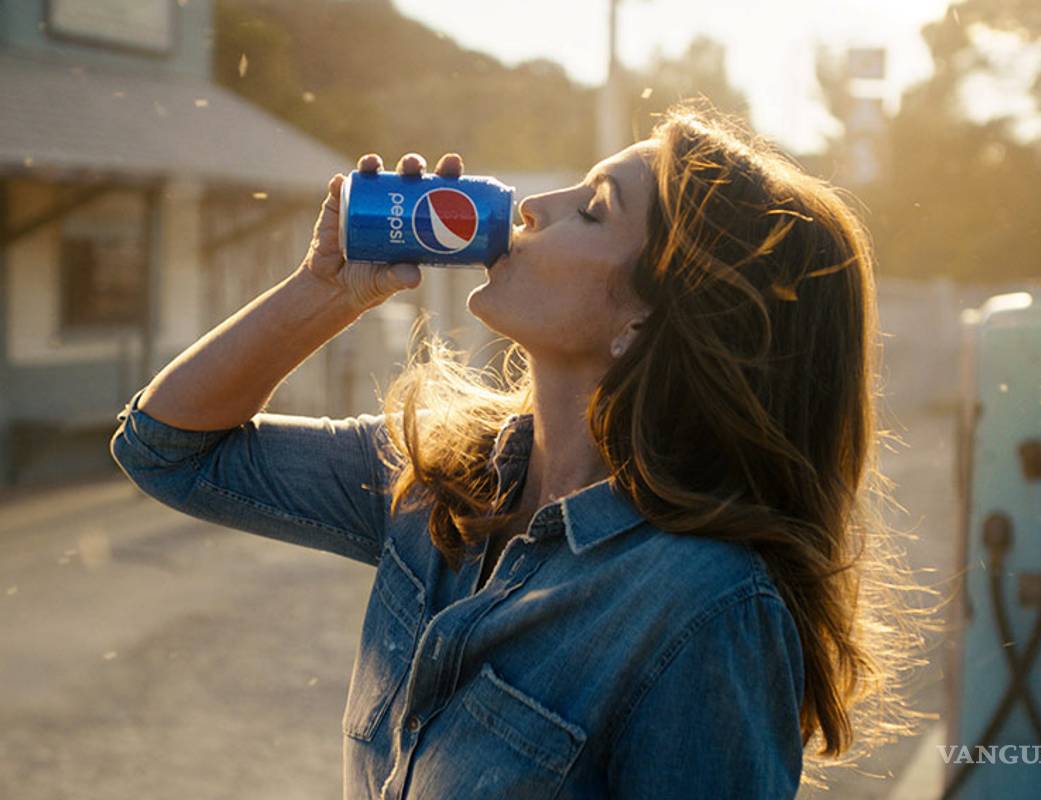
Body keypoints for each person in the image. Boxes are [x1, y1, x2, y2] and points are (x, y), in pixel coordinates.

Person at [111, 100, 928, 798]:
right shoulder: (438, 480)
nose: (535, 205)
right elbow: (168, 451)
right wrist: (323, 294)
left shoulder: (704, 610)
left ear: (645, 319)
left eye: (595, 208)